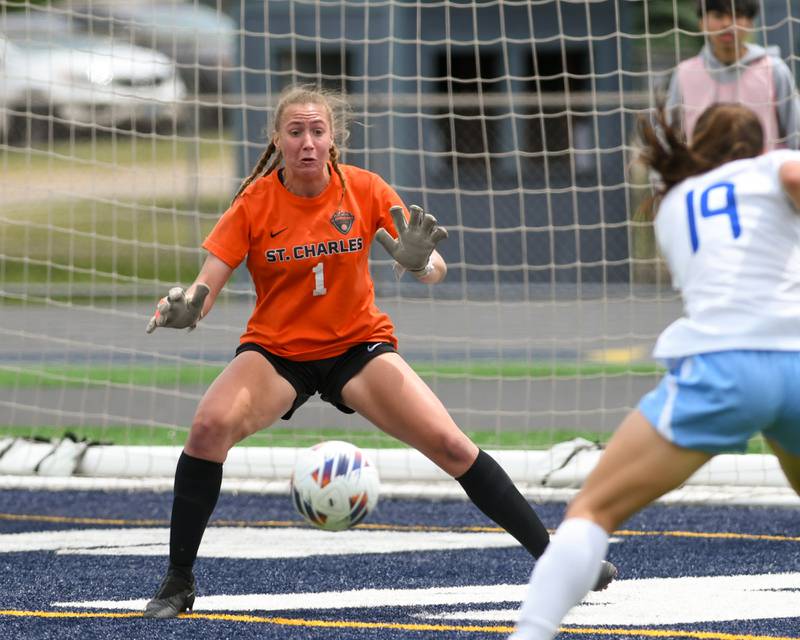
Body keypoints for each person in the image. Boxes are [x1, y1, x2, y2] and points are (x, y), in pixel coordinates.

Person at [142, 85, 617, 619]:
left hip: (356, 347)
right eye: (295, 132)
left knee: (451, 445)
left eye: (317, 132)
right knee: (207, 429)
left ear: (333, 139)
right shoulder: (253, 202)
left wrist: (420, 261)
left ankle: (559, 563)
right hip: (279, 352)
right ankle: (178, 582)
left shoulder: (364, 189)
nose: (306, 142)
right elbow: (204, 288)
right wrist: (186, 306)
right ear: (277, 139)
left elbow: (433, 268)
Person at [509, 102, 800, 640]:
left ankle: (531, 633)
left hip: (724, 370)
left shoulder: (670, 206)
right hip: (796, 365)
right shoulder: (771, 169)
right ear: (760, 147)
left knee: (592, 509)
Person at [666, 0, 800, 150]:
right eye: (718, 15)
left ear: (750, 23)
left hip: (761, 172)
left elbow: (795, 131)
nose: (727, 24)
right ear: (702, 22)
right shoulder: (685, 73)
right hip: (705, 172)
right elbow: (669, 137)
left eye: (737, 16)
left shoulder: (774, 69)